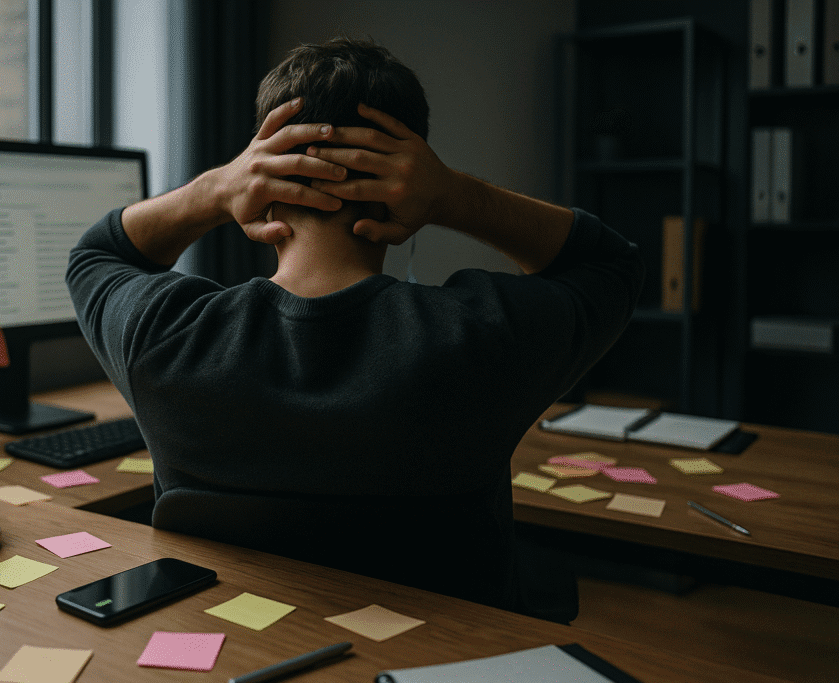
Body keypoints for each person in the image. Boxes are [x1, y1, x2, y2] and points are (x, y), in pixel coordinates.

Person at [66, 38, 643, 615]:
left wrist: (215, 190)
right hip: (438, 651)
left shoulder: (163, 334)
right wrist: (452, 195)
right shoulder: (486, 336)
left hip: (229, 645)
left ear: (262, 187)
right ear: (404, 193)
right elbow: (612, 263)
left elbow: (96, 253)